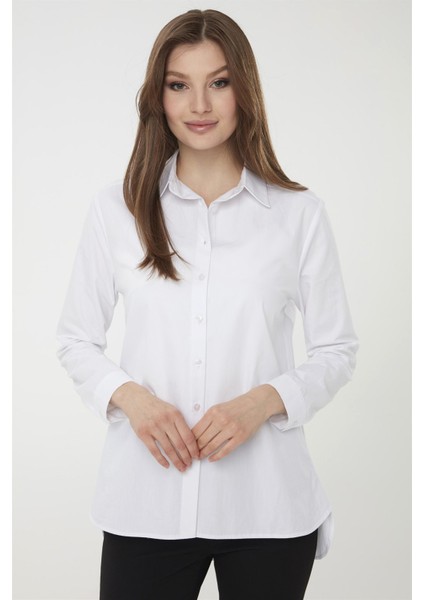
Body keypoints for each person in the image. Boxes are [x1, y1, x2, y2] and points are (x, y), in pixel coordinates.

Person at [56, 8, 358, 600]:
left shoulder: (298, 215)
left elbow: (336, 349)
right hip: (146, 503)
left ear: (244, 90)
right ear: (158, 96)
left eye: (218, 82)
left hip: (267, 506)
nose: (199, 105)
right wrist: (133, 399)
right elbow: (75, 339)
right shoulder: (115, 211)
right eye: (179, 85)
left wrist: (262, 402)